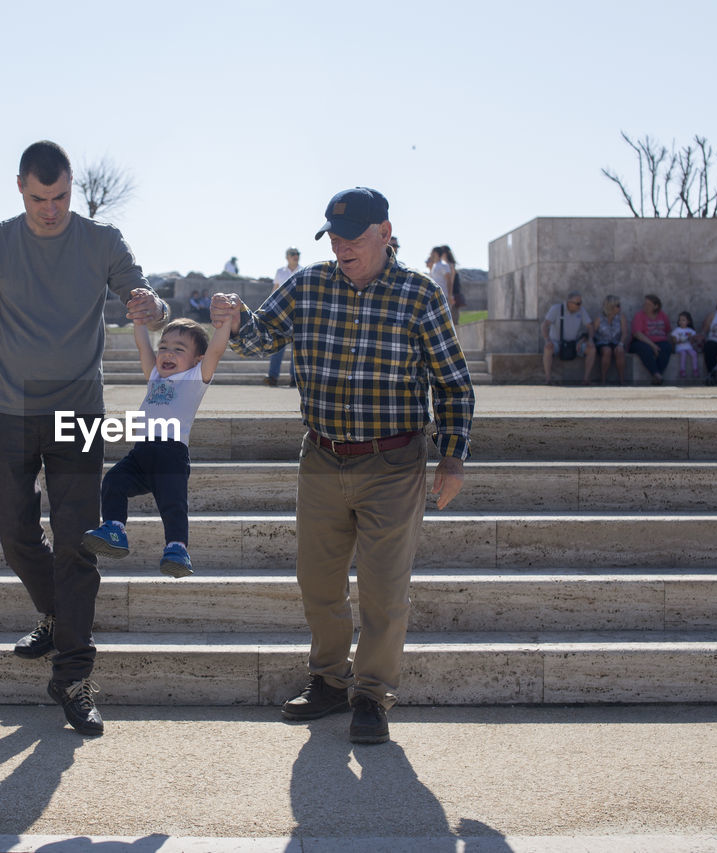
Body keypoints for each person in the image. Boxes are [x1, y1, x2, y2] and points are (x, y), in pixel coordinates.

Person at [209, 186, 474, 746]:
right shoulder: (308, 286)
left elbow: (452, 383)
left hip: (394, 461)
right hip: (323, 455)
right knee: (318, 581)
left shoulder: (419, 294)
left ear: (385, 232)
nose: (340, 246)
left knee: (383, 590)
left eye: (352, 237)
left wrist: (452, 457)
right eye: (332, 236)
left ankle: (373, 696)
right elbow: (258, 339)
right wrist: (232, 318)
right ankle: (330, 680)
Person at [0, 140, 168, 738]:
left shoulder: (102, 241)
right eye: (39, 198)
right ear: (19, 188)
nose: (50, 209)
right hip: (8, 411)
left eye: (60, 196)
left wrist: (150, 305)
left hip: (78, 412)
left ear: (72, 188)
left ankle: (74, 674)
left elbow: (147, 299)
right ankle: (59, 617)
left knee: (78, 543)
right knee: (15, 536)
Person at [82, 317, 230, 578]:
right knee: (113, 481)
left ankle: (177, 549)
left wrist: (224, 322)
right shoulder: (154, 376)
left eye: (179, 349)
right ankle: (114, 529)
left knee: (173, 504)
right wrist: (138, 321)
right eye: (163, 347)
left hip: (171, 455)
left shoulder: (195, 378)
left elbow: (216, 350)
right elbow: (143, 348)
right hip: (141, 454)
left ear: (197, 359)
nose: (167, 353)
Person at [264, 247, 300, 387]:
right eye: (293, 254)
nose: (296, 256)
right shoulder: (280, 272)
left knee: (296, 349)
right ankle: (273, 376)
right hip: (281, 314)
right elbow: (274, 291)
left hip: (298, 313)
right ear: (287, 257)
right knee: (277, 346)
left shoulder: (303, 270)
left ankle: (294, 379)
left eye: (297, 254)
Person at [540, 291, 593, 385]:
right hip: (558, 343)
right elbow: (545, 325)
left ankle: (586, 379)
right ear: (569, 303)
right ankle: (548, 379)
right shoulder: (556, 309)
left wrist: (590, 340)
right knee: (548, 348)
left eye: (581, 303)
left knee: (591, 349)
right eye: (578, 303)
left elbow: (590, 326)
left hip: (574, 343)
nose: (580, 305)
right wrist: (547, 340)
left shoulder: (581, 310)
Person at [628, 294, 673, 384]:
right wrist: (653, 346)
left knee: (666, 347)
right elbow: (637, 334)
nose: (645, 306)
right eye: (644, 304)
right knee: (646, 349)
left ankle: (658, 375)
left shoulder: (662, 315)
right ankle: (656, 374)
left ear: (656, 306)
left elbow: (668, 331)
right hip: (641, 342)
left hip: (660, 341)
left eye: (648, 304)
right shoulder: (639, 316)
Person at [590, 294, 627, 385]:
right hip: (602, 342)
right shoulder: (599, 319)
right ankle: (603, 379)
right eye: (618, 305)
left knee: (620, 351)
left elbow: (625, 332)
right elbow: (592, 332)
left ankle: (622, 380)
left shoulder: (621, 318)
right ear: (611, 307)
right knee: (607, 351)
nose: (620, 308)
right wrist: (590, 341)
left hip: (615, 342)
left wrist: (621, 344)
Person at [671, 311, 698, 380]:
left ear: (688, 322)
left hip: (688, 347)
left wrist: (690, 338)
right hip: (680, 348)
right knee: (683, 354)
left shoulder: (691, 331)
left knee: (694, 354)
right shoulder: (677, 330)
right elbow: (674, 340)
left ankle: (695, 369)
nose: (681, 321)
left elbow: (693, 341)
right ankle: (682, 370)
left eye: (683, 320)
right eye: (680, 320)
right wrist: (679, 341)